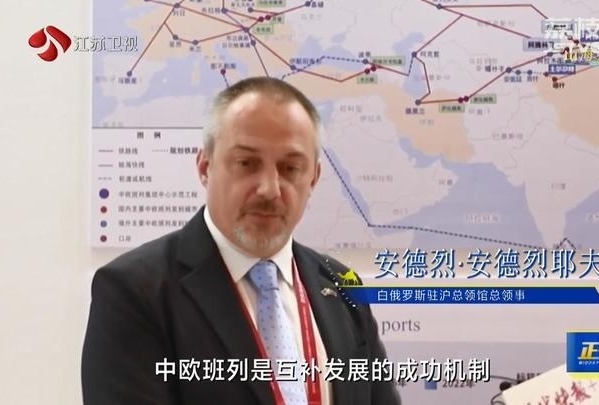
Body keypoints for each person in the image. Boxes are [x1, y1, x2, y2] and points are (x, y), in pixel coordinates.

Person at [81, 76, 401, 405]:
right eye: (246, 163)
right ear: (205, 167)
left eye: (290, 168)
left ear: (314, 178)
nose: (269, 189)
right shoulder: (134, 292)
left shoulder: (343, 287)